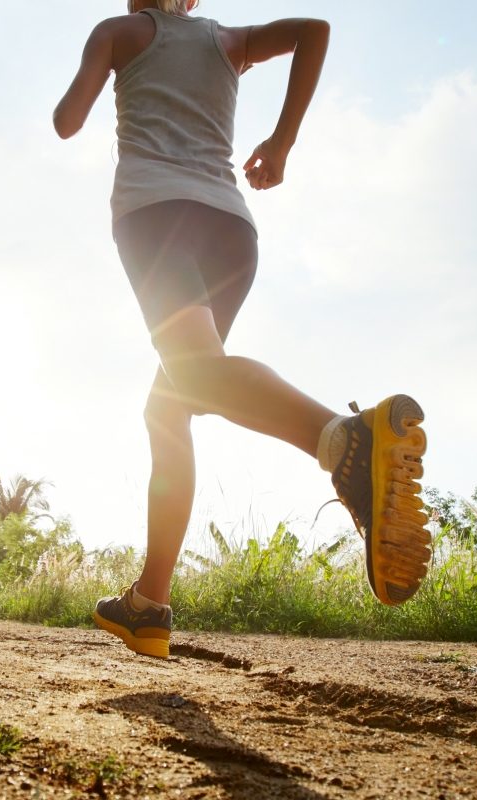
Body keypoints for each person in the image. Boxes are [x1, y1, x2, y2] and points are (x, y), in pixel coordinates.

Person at [53, 0, 431, 659]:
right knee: (168, 406)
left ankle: (345, 441)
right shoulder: (228, 40)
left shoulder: (119, 32)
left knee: (194, 375)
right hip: (231, 229)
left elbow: (66, 121)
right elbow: (315, 31)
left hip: (157, 216)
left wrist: (97, 74)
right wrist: (281, 141)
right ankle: (149, 602)